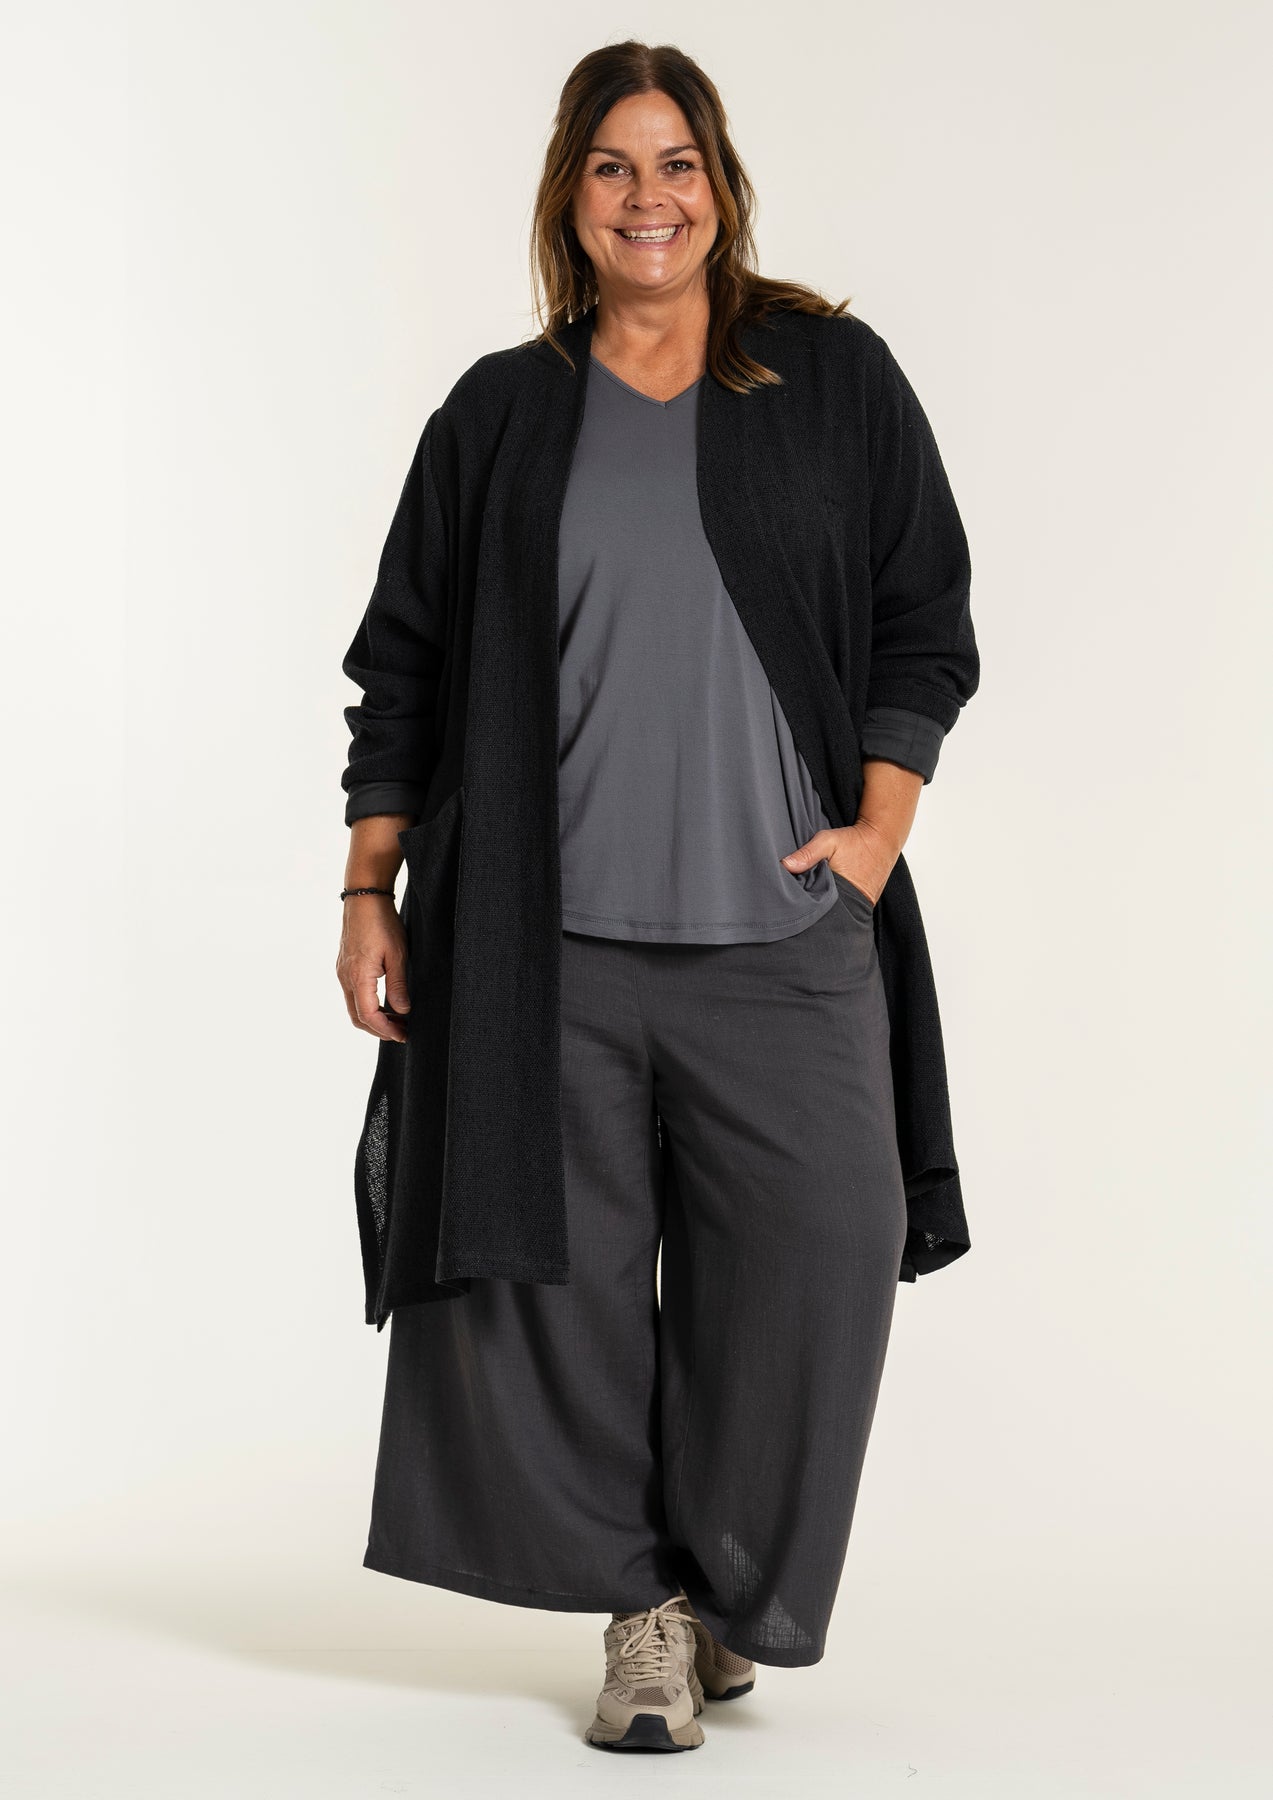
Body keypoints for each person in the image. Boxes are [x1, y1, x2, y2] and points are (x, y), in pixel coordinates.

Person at [335, 40, 980, 1755]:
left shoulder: (826, 381)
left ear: (720, 183)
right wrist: (367, 887)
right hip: (542, 950)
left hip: (783, 935)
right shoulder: (499, 413)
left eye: (675, 162)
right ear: (570, 195)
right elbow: (402, 669)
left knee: (817, 1258)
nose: (648, 198)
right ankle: (640, 1614)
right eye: (613, 166)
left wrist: (876, 832)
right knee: (561, 1296)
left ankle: (721, 1585)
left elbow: (924, 618)